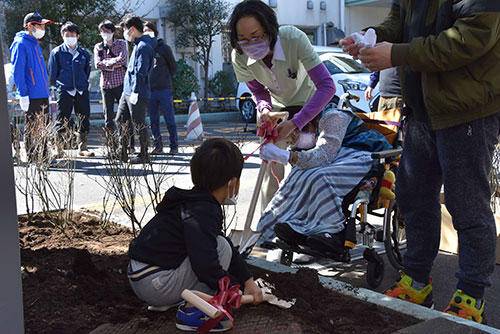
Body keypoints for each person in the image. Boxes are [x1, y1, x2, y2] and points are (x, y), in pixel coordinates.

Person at [341, 1, 500, 323]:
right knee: (414, 200)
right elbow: (398, 20)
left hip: (467, 110)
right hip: (421, 110)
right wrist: (372, 36)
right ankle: (416, 282)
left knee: (467, 206)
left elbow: (469, 38)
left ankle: (471, 296)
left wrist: (397, 54)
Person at [127, 138, 263, 332]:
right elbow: (205, 261)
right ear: (233, 183)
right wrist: (227, 289)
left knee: (219, 243)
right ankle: (195, 312)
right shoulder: (204, 210)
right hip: (156, 283)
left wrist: (247, 281)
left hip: (141, 277)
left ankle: (175, 300)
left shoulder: (193, 202)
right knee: (221, 247)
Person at [229, 0, 335, 212]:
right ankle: (269, 223)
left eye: (257, 36)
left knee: (308, 168)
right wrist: (264, 109)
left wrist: (297, 123)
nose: (250, 43)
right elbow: (258, 91)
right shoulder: (239, 56)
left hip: (308, 107)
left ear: (270, 29)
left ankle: (309, 221)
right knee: (271, 172)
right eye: (243, 39)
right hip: (276, 113)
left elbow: (326, 86)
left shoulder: (293, 39)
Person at [257, 108, 391, 253]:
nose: (294, 141)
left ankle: (332, 231)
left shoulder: (334, 117)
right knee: (297, 176)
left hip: (361, 154)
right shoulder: (316, 129)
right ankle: (290, 226)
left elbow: (323, 156)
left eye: (294, 136)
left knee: (320, 177)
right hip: (338, 156)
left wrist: (285, 155)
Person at [48, 21, 94, 157]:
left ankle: (83, 147)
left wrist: (82, 83)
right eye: (67, 35)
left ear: (78, 36)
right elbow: (53, 73)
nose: (70, 37)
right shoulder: (56, 52)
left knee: (84, 117)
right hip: (64, 89)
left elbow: (87, 71)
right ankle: (59, 148)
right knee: (62, 118)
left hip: (81, 89)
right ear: (62, 36)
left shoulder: (84, 53)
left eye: (72, 35)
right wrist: (60, 86)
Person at [10, 12, 52, 158]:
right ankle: (33, 155)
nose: (42, 28)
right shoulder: (20, 43)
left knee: (43, 127)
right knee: (33, 127)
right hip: (31, 94)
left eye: (43, 25)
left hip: (42, 93)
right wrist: (23, 94)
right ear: (30, 26)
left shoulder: (35, 44)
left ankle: (44, 155)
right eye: (39, 25)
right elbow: (18, 71)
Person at [115, 14, 157, 164]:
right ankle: (123, 151)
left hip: (136, 92)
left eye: (125, 29)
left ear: (132, 29)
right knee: (120, 120)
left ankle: (144, 154)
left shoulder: (144, 47)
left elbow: (141, 72)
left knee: (139, 124)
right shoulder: (137, 45)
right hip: (127, 91)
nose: (124, 33)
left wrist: (136, 92)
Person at [143, 22, 179, 155]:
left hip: (164, 89)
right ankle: (158, 146)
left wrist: (164, 78)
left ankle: (174, 145)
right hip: (150, 91)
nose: (147, 32)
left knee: (169, 119)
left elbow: (173, 67)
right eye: (144, 30)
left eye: (149, 30)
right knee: (153, 121)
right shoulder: (145, 48)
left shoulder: (164, 48)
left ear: (155, 32)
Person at [93, 20, 128, 135]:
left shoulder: (121, 43)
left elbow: (123, 59)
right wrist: (114, 64)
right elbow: (98, 64)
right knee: (108, 117)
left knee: (124, 115)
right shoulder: (98, 47)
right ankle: (111, 143)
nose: (105, 34)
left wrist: (106, 63)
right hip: (105, 85)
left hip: (120, 83)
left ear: (113, 32)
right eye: (102, 31)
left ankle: (128, 142)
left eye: (107, 31)